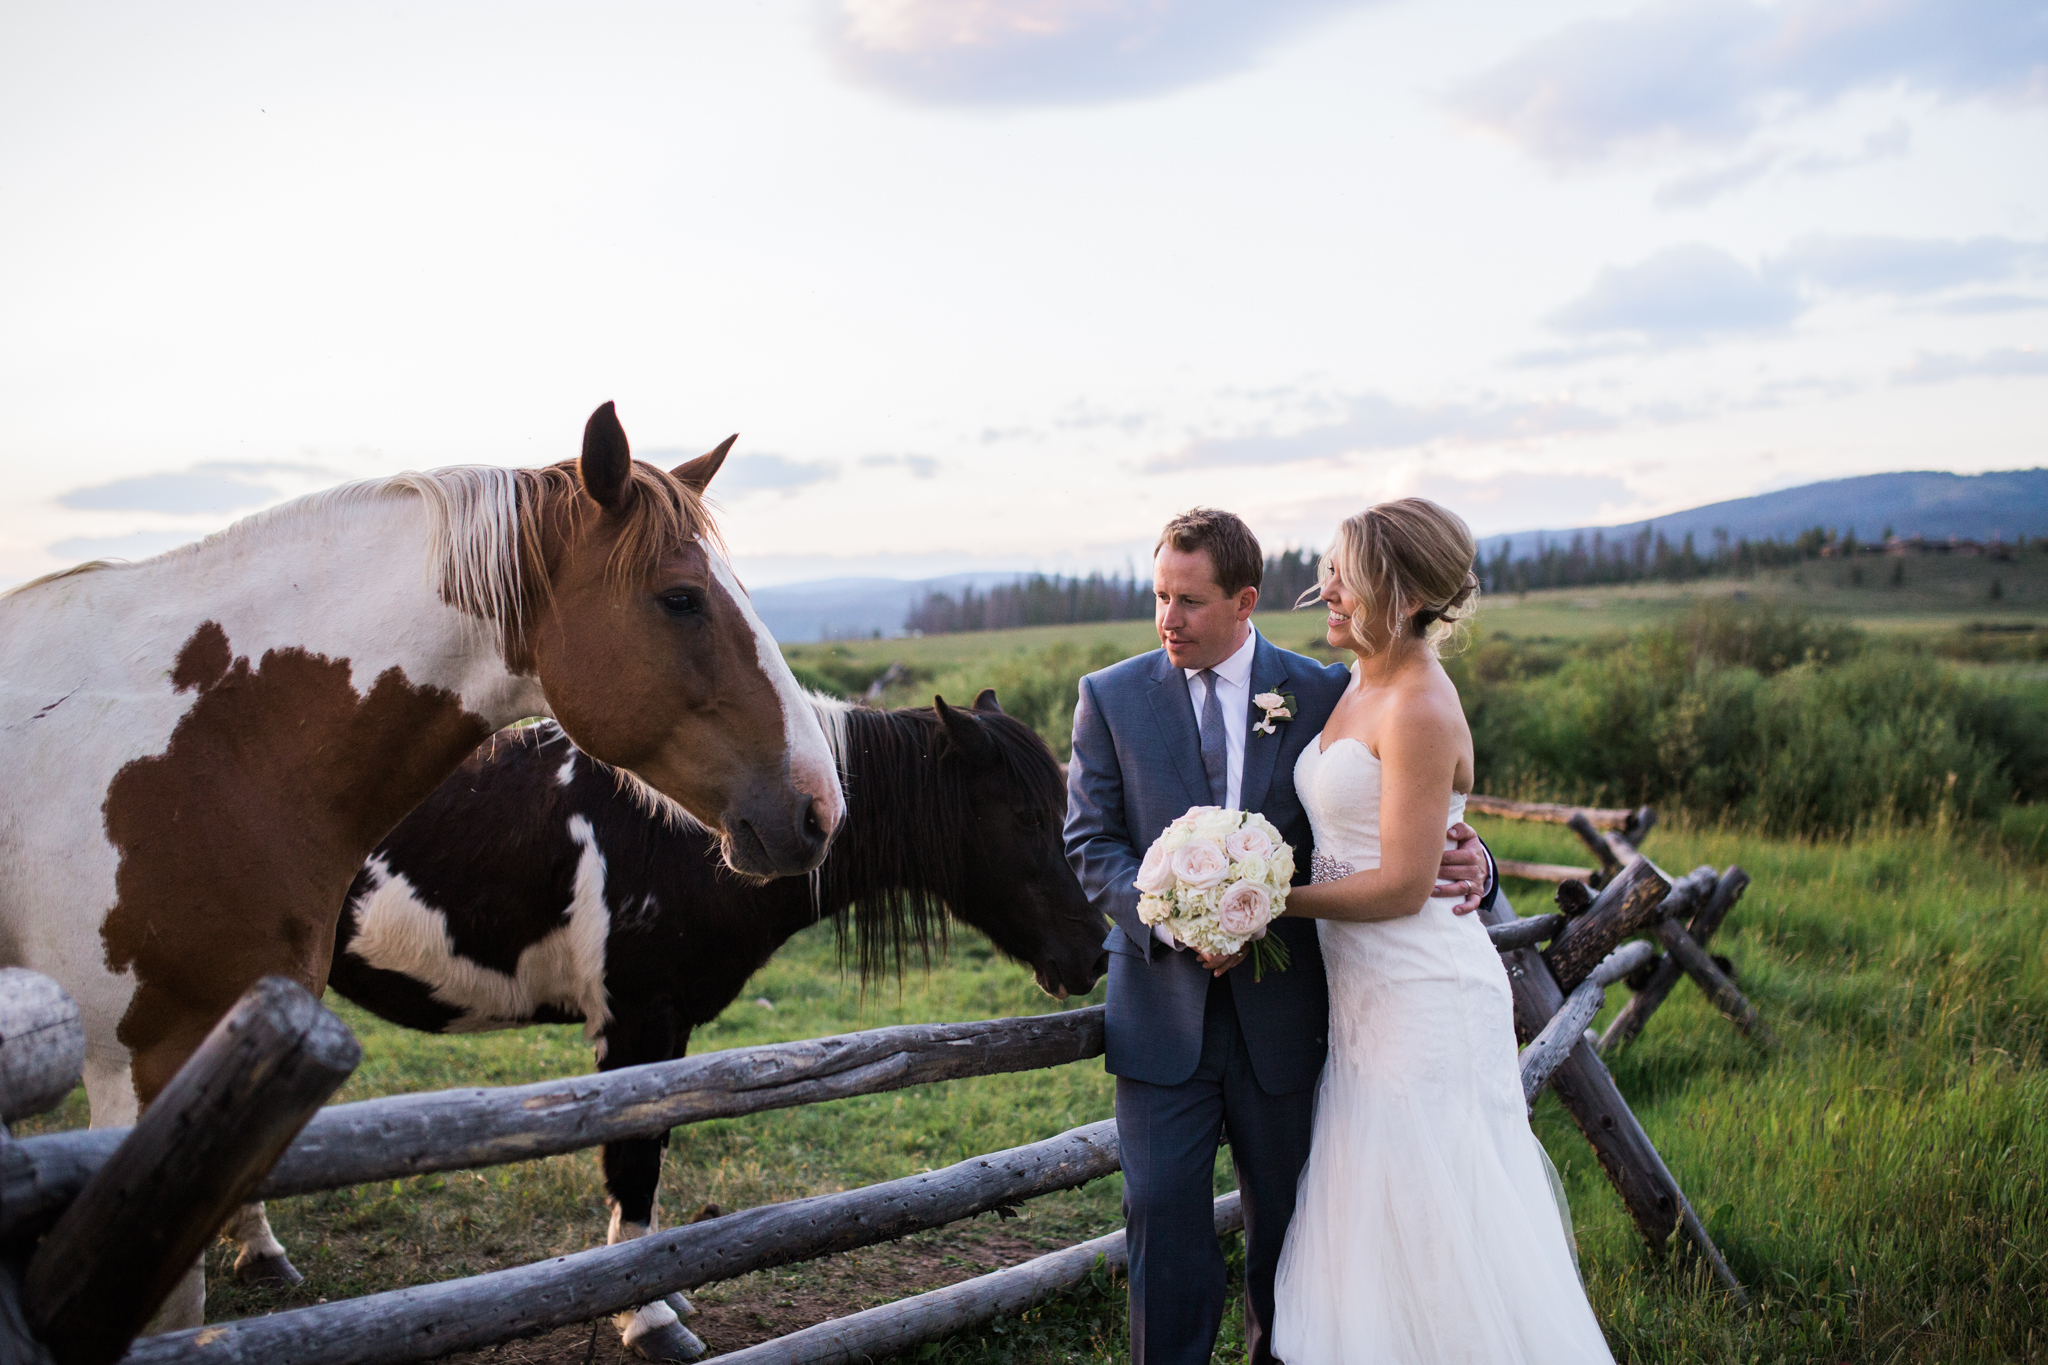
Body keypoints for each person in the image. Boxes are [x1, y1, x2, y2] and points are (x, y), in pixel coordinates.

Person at [1064, 508, 1497, 1365]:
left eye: (1187, 600)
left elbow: (1395, 813)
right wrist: (1176, 915)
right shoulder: (1108, 697)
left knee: (1297, 1237)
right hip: (1160, 1011)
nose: (1168, 619)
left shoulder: (1328, 690)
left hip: (1290, 1016)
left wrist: (1480, 862)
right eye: (1159, 597)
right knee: (1161, 1222)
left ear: (1244, 600)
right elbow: (1090, 845)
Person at [1270, 498, 1615, 1363]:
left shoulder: (1419, 702)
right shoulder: (1360, 678)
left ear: (1402, 591)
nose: (1327, 592)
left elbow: (1400, 884)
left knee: (1436, 1230)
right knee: (1373, 1224)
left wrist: (1270, 899)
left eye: (1345, 578)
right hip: (1365, 1000)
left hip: (1422, 991)